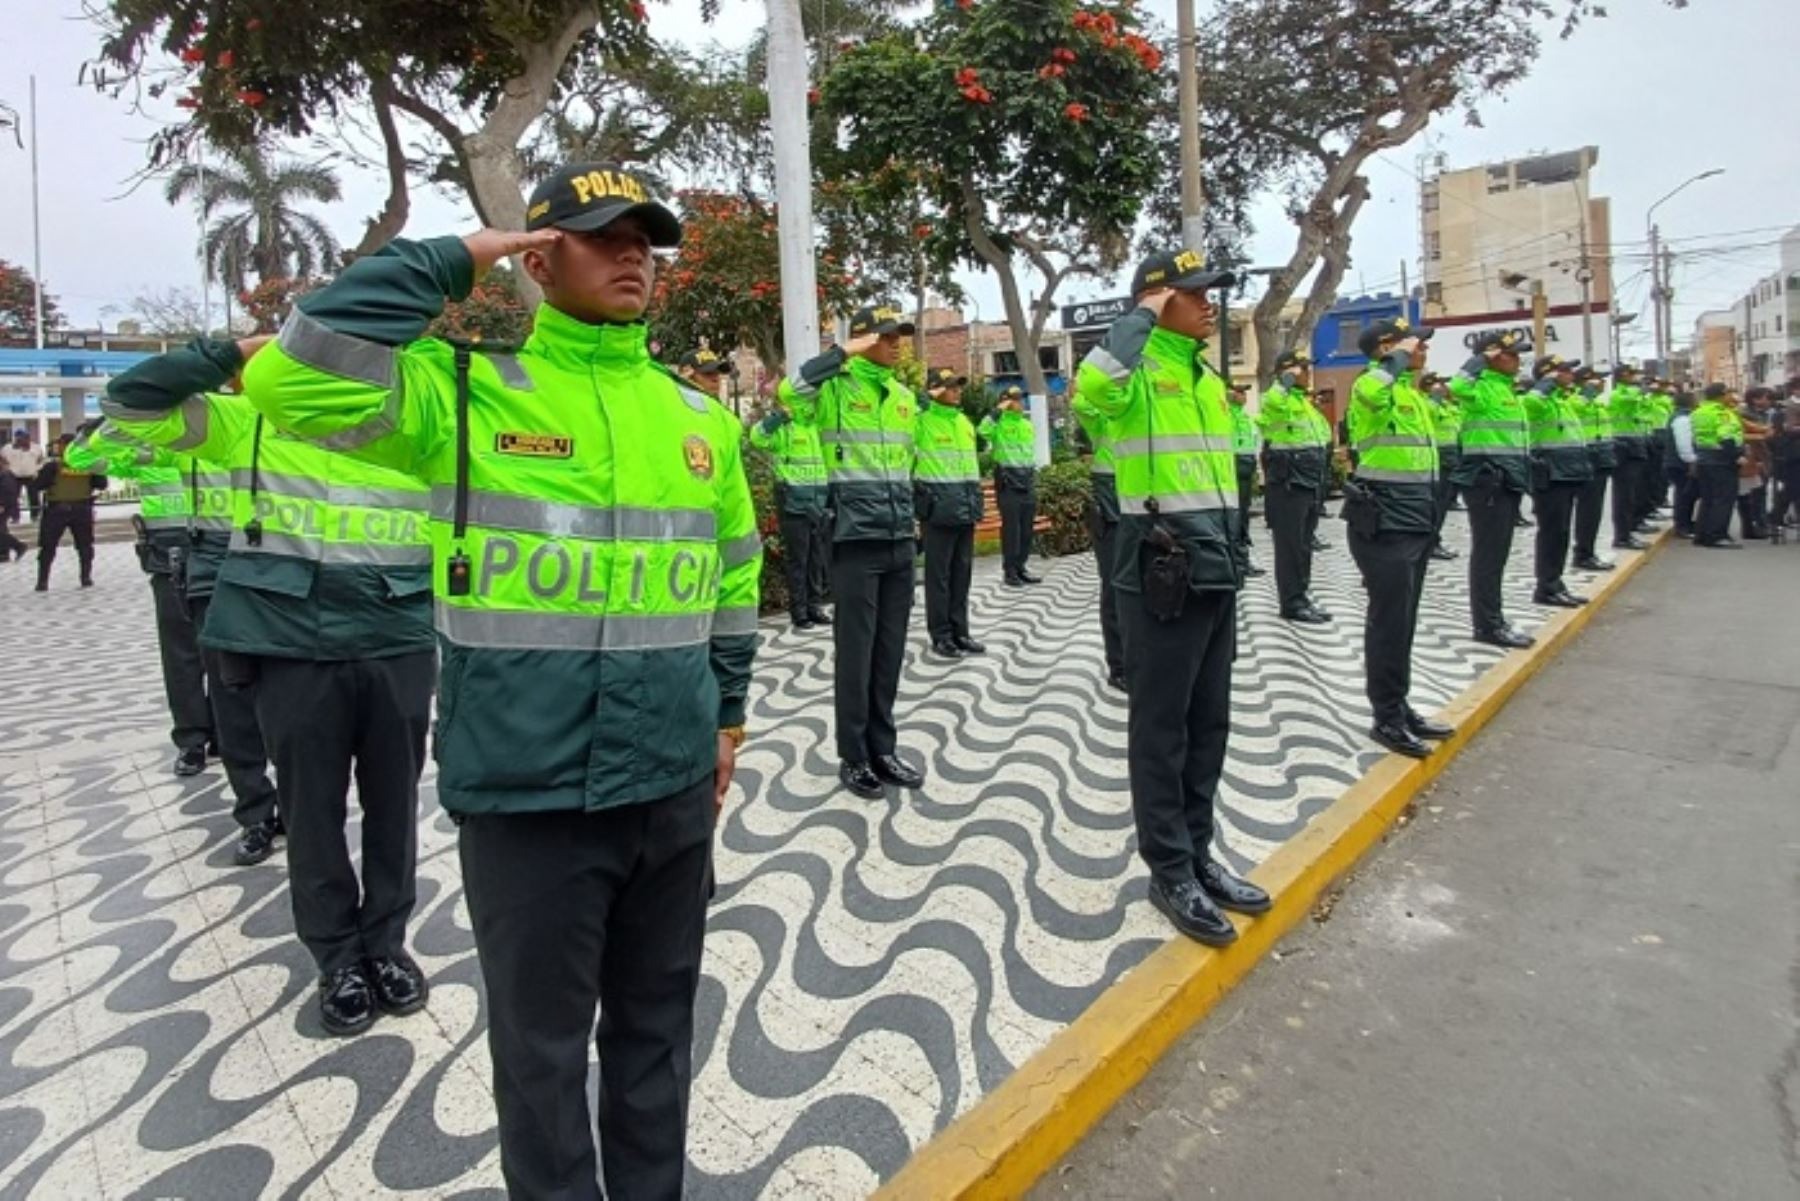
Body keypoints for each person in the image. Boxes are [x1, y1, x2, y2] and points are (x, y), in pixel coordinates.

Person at [245, 161, 761, 1201]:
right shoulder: (464, 393)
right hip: (530, 797)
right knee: (541, 1059)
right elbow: (286, 376)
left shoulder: (698, 418)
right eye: (603, 233)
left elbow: (734, 575)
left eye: (644, 239)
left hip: (666, 788)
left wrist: (728, 719)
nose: (631, 255)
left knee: (658, 1040)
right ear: (539, 254)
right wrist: (447, 258)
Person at [105, 336, 436, 1033]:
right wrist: (227, 351)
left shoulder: (413, 415)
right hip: (293, 642)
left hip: (396, 634)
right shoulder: (246, 418)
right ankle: (338, 958)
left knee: (394, 808)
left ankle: (386, 944)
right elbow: (130, 403)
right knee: (311, 811)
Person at [1074, 248, 1268, 947]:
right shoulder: (1132, 375)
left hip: (1214, 563)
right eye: (1195, 292)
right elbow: (1089, 390)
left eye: (1212, 290)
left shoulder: (1205, 376)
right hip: (1160, 569)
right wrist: (1138, 316)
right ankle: (1169, 870)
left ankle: (1199, 853)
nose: (1210, 301)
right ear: (1158, 301)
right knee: (1161, 731)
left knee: (1208, 722)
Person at [68, 419, 281, 858]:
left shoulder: (275, 426)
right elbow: (85, 456)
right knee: (215, 681)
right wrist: (144, 408)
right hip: (199, 561)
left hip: (275, 564)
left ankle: (294, 808)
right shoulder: (186, 438)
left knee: (286, 697)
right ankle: (250, 804)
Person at [781, 304, 925, 801]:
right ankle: (855, 755)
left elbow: (912, 463)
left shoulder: (905, 397)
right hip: (852, 540)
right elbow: (788, 391)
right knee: (856, 654)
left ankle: (883, 748)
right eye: (886, 336)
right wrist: (841, 353)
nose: (896, 343)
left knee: (889, 652)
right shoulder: (833, 390)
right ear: (863, 341)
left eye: (900, 335)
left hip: (899, 539)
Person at [65, 424, 215, 775]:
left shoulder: (215, 446)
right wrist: (106, 425)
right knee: (181, 653)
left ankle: (223, 731)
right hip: (168, 559)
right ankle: (193, 739)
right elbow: (80, 456)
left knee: (224, 652)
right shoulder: (150, 451)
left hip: (217, 554)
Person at [1341, 319, 1454, 760]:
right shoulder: (1372, 385)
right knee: (1389, 621)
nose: (1421, 349)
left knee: (1404, 620)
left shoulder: (1409, 392)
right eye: (1414, 342)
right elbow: (1372, 391)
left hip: (1416, 517)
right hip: (1385, 519)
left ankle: (1401, 705)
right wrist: (1398, 357)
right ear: (1387, 348)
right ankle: (1385, 716)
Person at [1448, 331, 1535, 649]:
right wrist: (1480, 359)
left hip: (1508, 477)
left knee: (1497, 554)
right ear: (1494, 356)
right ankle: (1487, 625)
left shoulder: (1506, 390)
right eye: (1511, 354)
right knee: (1488, 555)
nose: (1517, 360)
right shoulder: (1481, 388)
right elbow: (1456, 386)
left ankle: (1493, 618)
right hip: (1488, 478)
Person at [913, 367, 986, 659]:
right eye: (950, 387)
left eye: (958, 386)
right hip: (938, 509)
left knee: (961, 575)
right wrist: (924, 399)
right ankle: (941, 635)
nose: (957, 391)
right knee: (939, 577)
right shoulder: (921, 422)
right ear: (934, 390)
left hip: (965, 507)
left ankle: (961, 631)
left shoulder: (964, 422)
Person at [1257, 350, 1332, 622]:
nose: (1307, 372)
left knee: (1303, 544)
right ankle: (1291, 602)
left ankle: (1301, 595)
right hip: (1289, 481)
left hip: (1309, 481)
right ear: (1287, 371)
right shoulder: (1275, 398)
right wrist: (1286, 381)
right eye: (1302, 368)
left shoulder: (1304, 403)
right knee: (1290, 547)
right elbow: (1274, 401)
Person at [750, 400, 831, 631]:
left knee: (816, 559)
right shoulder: (785, 428)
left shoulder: (817, 427)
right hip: (793, 504)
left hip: (818, 503)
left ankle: (814, 606)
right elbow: (757, 437)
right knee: (799, 559)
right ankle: (799, 611)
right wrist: (777, 417)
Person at [1522, 354, 1593, 608]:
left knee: (1561, 532)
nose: (1570, 374)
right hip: (1550, 473)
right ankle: (1546, 586)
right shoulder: (1538, 401)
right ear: (1549, 374)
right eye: (1564, 371)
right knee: (1552, 532)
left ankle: (1555, 582)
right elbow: (1529, 402)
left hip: (1568, 471)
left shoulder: (1561, 401)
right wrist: (1545, 384)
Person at [1072, 378, 1126, 689]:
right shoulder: (1102, 418)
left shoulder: (1144, 414)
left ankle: (1139, 656)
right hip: (1110, 504)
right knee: (1115, 586)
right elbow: (1080, 400)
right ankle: (1118, 664)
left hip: (1143, 504)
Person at [980, 385, 1041, 586]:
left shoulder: (1026, 424)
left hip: (1027, 480)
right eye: (1014, 399)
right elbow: (982, 430)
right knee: (1012, 530)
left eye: (1020, 399)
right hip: (1008, 482)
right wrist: (998, 410)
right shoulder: (998, 424)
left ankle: (1021, 566)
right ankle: (1010, 570)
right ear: (1005, 401)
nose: (1019, 403)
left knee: (1026, 529)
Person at [34, 433, 104, 592]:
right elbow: (102, 484)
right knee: (85, 546)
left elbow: (38, 485)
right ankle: (86, 578)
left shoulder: (53, 466)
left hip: (57, 509)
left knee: (48, 546)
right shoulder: (88, 464)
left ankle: (42, 582)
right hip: (82, 509)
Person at [1569, 365, 1616, 572]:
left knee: (1594, 509)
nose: (1602, 383)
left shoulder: (1597, 404)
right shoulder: (1574, 400)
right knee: (1587, 509)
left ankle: (1588, 551)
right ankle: (1583, 553)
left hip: (1600, 458)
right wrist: (1587, 392)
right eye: (1597, 380)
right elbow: (1576, 409)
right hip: (1584, 458)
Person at [1691, 383, 1744, 548]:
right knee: (1723, 499)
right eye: (1729, 393)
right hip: (1722, 459)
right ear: (1722, 395)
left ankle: (1702, 534)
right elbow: (1726, 437)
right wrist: (1737, 456)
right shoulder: (1722, 413)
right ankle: (1717, 536)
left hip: (1704, 458)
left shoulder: (1698, 412)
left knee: (1708, 498)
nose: (1732, 396)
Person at [1227, 382, 1265, 576]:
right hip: (1231, 470)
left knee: (1243, 518)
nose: (1243, 396)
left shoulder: (1246, 418)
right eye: (1239, 391)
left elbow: (1254, 444)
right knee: (1235, 518)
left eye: (1244, 392)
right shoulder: (1224, 415)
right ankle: (1237, 563)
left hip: (1246, 470)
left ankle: (1242, 560)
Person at [1425, 372, 1462, 563]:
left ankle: (1435, 540)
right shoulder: (1427, 405)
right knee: (1436, 505)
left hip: (1451, 457)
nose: (1444, 388)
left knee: (1444, 503)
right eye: (1439, 385)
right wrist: (1433, 399)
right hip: (1437, 458)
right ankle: (1431, 543)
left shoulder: (1448, 407)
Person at [1737, 387, 1773, 539]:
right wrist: (1764, 433)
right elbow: (1744, 435)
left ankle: (1760, 523)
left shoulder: (1765, 414)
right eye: (1766, 398)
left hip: (1764, 455)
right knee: (1752, 494)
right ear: (1755, 399)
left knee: (1761, 492)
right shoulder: (1745, 414)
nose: (1769, 401)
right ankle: (1754, 525)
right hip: (1752, 456)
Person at [1669, 390, 1700, 538]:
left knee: (1686, 494)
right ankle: (1682, 525)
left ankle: (1685, 523)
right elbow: (1684, 443)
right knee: (1684, 495)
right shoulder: (1683, 419)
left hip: (1678, 461)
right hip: (1680, 462)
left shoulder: (1682, 416)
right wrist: (1691, 460)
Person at [2, 429, 47, 523]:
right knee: (12, 497)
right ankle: (15, 517)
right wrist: (6, 469)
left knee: (34, 496)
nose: (22, 440)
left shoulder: (36, 448)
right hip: (13, 476)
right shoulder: (7, 448)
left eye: (25, 437)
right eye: (19, 437)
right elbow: (2, 459)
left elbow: (41, 460)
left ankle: (35, 515)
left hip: (31, 475)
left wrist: (37, 470)